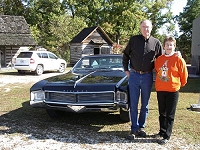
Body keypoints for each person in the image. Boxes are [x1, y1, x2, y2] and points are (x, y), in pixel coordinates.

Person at [122, 19, 163, 140]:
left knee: (145, 104)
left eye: (148, 27)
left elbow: (162, 59)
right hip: (134, 75)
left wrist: (176, 55)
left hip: (147, 76)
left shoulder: (156, 43)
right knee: (133, 104)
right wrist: (126, 70)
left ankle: (141, 127)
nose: (146, 29)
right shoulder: (134, 40)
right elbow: (125, 55)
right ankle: (134, 128)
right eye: (144, 27)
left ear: (152, 28)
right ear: (140, 28)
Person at [154, 36, 188, 144]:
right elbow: (157, 70)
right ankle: (162, 131)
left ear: (174, 46)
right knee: (162, 112)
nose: (169, 47)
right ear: (164, 46)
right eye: (167, 44)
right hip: (161, 89)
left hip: (173, 90)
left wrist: (180, 84)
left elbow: (184, 74)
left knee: (170, 114)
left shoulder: (178, 59)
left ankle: (167, 136)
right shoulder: (159, 59)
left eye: (171, 45)